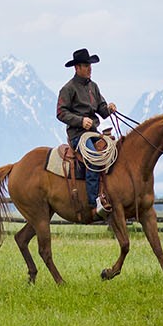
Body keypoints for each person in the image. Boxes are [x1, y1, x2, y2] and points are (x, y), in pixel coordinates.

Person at [56, 48, 117, 217]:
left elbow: (102, 110)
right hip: (78, 135)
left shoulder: (93, 87)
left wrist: (109, 108)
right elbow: (61, 112)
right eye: (85, 65)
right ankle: (94, 203)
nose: (89, 68)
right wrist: (80, 121)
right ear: (77, 68)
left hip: (93, 132)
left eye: (90, 65)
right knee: (94, 159)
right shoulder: (68, 89)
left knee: (115, 152)